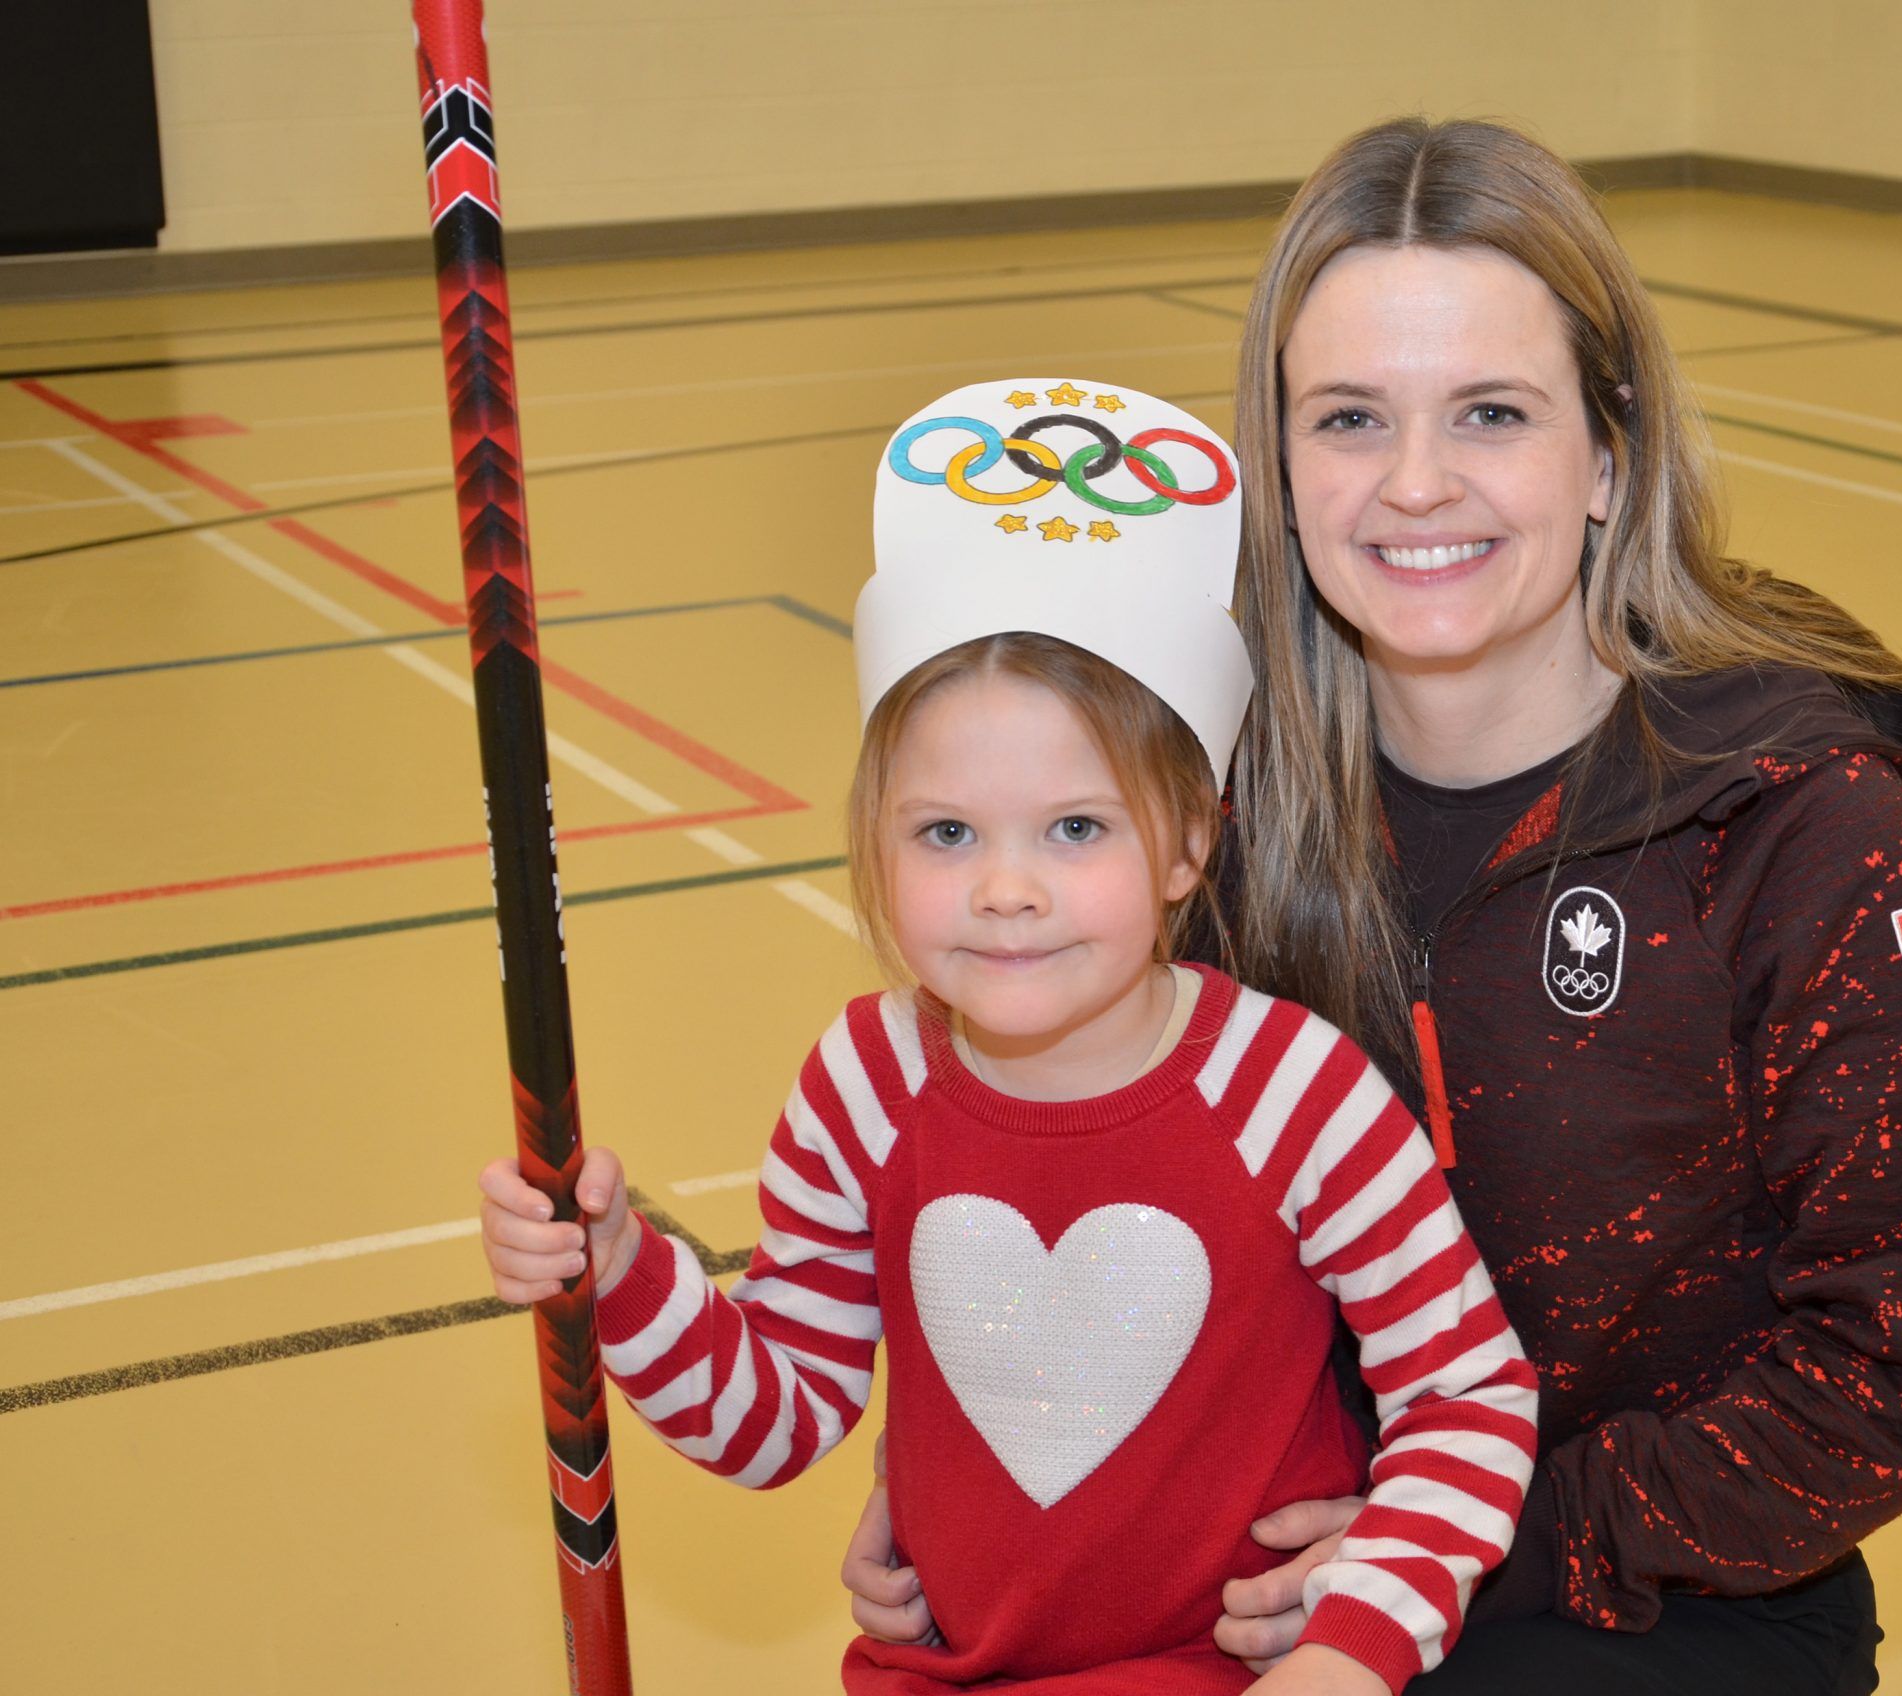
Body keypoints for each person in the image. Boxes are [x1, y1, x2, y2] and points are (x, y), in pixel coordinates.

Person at [849, 122, 1902, 1696]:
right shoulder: (1214, 819)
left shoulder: (1808, 840)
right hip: (1269, 1551)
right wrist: (1017, 1456)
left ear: (1608, 456)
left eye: (1491, 412)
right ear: (1277, 469)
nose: (1414, 484)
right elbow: (1095, 1152)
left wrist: (1498, 1540)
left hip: (1659, 1589)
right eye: (1348, 419)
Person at [477, 379, 1539, 1696]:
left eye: (1075, 828)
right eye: (946, 833)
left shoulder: (1295, 1091)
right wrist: (624, 1268)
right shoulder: (863, 1084)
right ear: (877, 840)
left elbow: (1468, 1398)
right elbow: (772, 1422)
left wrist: (1354, 1650)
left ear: (1189, 842)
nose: (1006, 889)